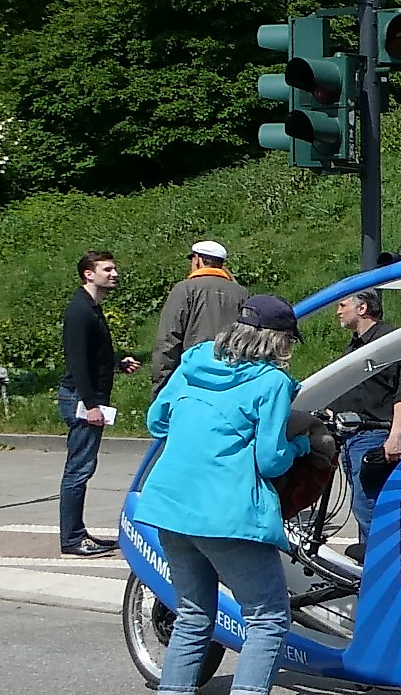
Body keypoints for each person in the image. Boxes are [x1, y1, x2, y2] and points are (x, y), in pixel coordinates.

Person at [133, 294, 318, 695]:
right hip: (227, 515)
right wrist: (301, 445)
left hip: (170, 506)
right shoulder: (271, 382)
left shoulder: (195, 359)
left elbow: (157, 421)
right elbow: (271, 461)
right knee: (267, 619)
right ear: (278, 341)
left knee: (193, 615)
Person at [59, 250, 138, 558]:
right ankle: (72, 539)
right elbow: (76, 360)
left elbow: (93, 356)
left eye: (114, 268)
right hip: (81, 399)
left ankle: (78, 534)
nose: (114, 273)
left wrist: (118, 364)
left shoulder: (91, 308)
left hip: (87, 397)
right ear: (88, 274)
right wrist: (90, 404)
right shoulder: (80, 311)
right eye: (107, 269)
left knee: (83, 468)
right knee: (78, 470)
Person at [325, 288, 401, 561]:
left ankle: (385, 564)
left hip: (374, 433)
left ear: (362, 308)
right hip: (350, 433)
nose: (338, 311)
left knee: (368, 506)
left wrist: (396, 435)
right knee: (360, 504)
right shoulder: (355, 345)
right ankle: (368, 567)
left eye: (343, 305)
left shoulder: (391, 343)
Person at [149, 239, 250, 394]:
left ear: (198, 260)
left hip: (193, 377)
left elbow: (168, 339)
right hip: (232, 376)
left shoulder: (184, 289)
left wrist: (161, 383)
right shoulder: (241, 293)